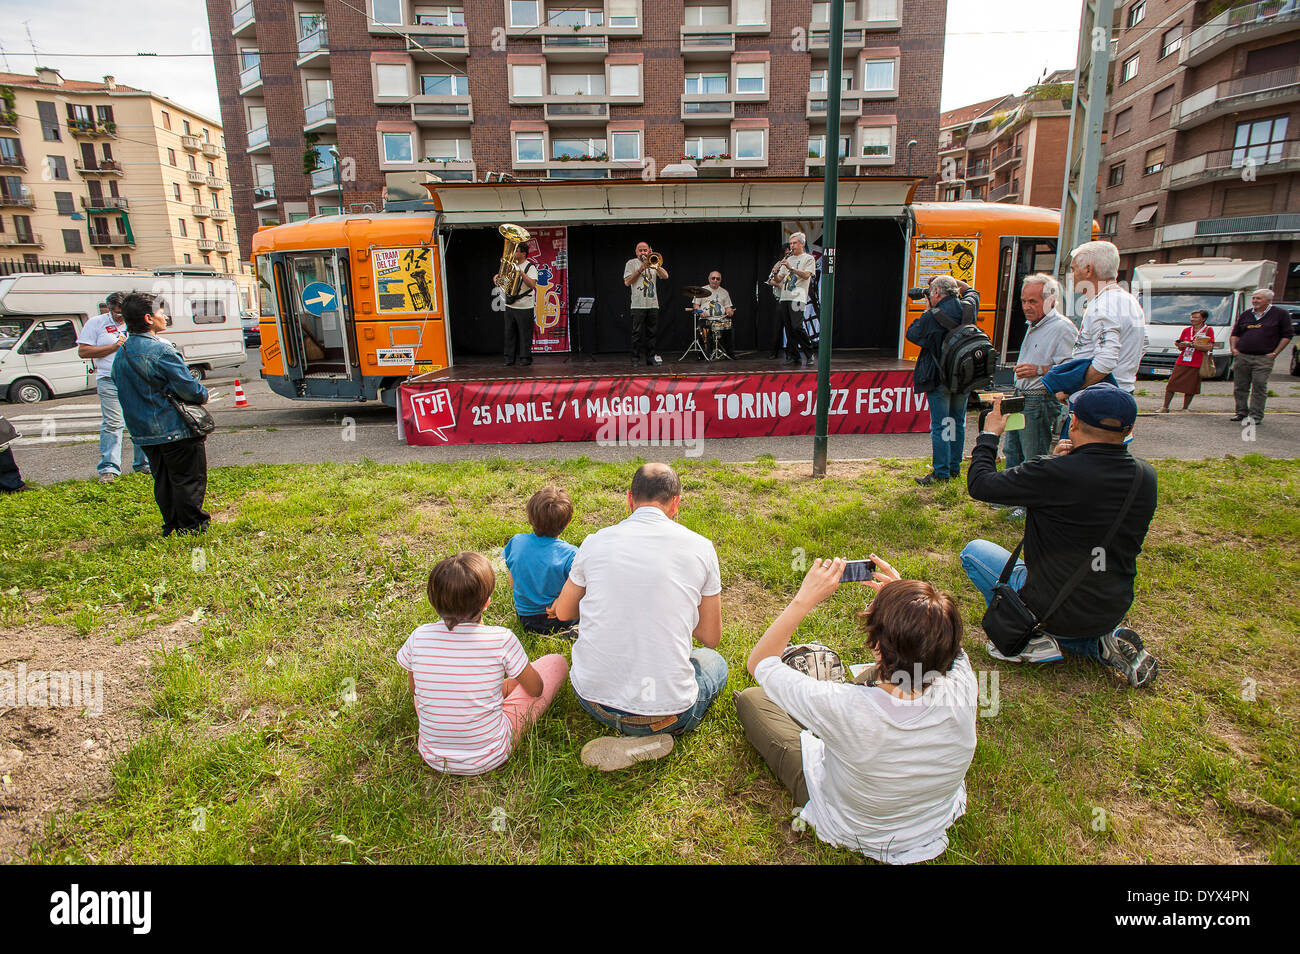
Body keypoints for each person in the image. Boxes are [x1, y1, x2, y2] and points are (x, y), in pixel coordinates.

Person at [737, 555, 977, 864]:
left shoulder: (844, 706)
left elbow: (759, 663)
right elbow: (948, 648)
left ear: (878, 646)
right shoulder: (964, 684)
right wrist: (911, 607)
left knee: (753, 699)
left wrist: (804, 599)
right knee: (857, 696)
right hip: (930, 817)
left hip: (852, 825)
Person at [962, 384, 1159, 687]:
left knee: (973, 551)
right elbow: (1093, 493)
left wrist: (989, 435)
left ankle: (1034, 638)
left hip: (1050, 606)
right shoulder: (1145, 476)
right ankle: (1099, 643)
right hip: (1111, 606)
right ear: (1130, 428)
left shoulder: (1053, 473)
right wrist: (1058, 465)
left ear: (1074, 421)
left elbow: (981, 484)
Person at [551, 463, 726, 771]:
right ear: (676, 503)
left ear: (630, 499)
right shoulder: (701, 547)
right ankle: (646, 735)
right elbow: (710, 638)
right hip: (668, 713)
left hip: (592, 700)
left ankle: (628, 732)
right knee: (714, 663)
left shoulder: (595, 541)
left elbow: (564, 612)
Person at [397, 552, 568, 776]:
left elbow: (415, 689)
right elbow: (536, 688)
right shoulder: (501, 639)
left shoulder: (419, 637)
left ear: (433, 601)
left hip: (433, 755)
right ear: (487, 602)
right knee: (555, 663)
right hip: (491, 753)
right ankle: (493, 695)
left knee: (426, 692)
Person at [111, 293, 211, 536]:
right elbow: (190, 389)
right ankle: (192, 527)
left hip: (143, 431)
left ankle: (172, 525)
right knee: (187, 478)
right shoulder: (161, 351)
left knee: (163, 479)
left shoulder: (121, 353)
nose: (165, 316)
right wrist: (203, 393)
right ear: (148, 318)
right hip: (174, 427)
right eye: (161, 312)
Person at [906, 274, 980, 486]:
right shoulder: (968, 307)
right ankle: (954, 468)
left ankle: (941, 472)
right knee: (957, 422)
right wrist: (954, 281)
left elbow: (912, 334)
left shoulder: (933, 315)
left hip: (940, 378)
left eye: (930, 292)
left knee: (941, 425)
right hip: (964, 377)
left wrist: (927, 311)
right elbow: (973, 291)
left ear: (936, 293)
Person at [1050, 240, 1144, 396]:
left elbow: (1106, 361)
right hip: (1123, 392)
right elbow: (1144, 344)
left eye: (1073, 269)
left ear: (1088, 270)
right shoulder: (1129, 301)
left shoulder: (1102, 306)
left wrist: (1070, 389)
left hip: (1098, 398)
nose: (1071, 276)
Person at [1004, 274, 1077, 469]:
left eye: (1033, 301)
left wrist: (1038, 370)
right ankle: (1010, 498)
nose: (1026, 307)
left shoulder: (1062, 328)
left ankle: (1031, 500)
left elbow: (1071, 368)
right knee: (1012, 452)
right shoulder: (1033, 324)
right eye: (1024, 301)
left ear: (1050, 301)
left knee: (1033, 458)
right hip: (1019, 397)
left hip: (1039, 400)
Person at [77, 292, 151, 483]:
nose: (121, 317)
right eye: (117, 314)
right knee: (113, 423)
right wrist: (112, 348)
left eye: (124, 313)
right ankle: (109, 468)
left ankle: (143, 464)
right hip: (109, 378)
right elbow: (83, 351)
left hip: (135, 377)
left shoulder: (134, 320)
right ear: (109, 309)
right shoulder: (96, 323)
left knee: (140, 420)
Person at [504, 485, 579, 635]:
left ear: (531, 518)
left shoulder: (516, 542)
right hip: (557, 617)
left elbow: (513, 581)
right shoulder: (571, 554)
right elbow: (576, 589)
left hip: (525, 618)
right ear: (567, 523)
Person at [1229, 288, 1293, 425]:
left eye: (1259, 298)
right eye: (1254, 298)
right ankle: (1241, 412)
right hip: (1243, 356)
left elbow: (1287, 335)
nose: (1255, 301)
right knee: (1240, 386)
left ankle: (1255, 415)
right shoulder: (1246, 314)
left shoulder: (1280, 314)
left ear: (1269, 300)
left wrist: (1275, 353)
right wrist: (1234, 349)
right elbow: (1235, 333)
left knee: (1259, 385)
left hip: (1263, 358)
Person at [768, 232, 817, 367]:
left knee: (797, 326)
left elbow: (807, 275)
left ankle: (809, 353)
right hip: (785, 297)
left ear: (801, 243)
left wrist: (792, 268)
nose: (792, 245)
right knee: (789, 329)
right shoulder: (787, 259)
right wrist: (776, 271)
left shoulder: (808, 258)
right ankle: (795, 357)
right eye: (791, 243)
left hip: (798, 297)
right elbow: (779, 279)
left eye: (795, 243)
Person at [493, 241, 540, 367]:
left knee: (525, 334)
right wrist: (497, 279)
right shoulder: (510, 265)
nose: (514, 254)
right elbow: (502, 281)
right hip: (510, 305)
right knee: (509, 333)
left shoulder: (530, 267)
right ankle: (509, 359)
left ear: (523, 253)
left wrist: (521, 273)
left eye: (517, 251)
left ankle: (525, 358)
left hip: (525, 306)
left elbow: (532, 284)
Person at [1160, 309, 1214, 413]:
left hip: (1197, 362)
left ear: (1203, 319)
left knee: (1191, 386)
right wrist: (1180, 345)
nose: (1192, 319)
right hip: (1183, 360)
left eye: (1196, 317)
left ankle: (1185, 408)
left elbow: (1209, 347)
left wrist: (1191, 344)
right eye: (1192, 317)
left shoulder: (1208, 330)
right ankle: (1165, 407)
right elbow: (1182, 348)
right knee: (1172, 383)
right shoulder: (1186, 330)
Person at [623, 241, 668, 367]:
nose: (643, 252)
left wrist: (656, 265)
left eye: (645, 250)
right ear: (636, 252)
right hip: (638, 304)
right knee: (636, 333)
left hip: (653, 304)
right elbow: (627, 282)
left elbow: (665, 276)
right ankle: (635, 358)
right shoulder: (631, 263)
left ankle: (650, 358)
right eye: (640, 250)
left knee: (652, 333)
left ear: (649, 251)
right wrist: (640, 269)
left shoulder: (654, 262)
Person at [692, 270, 735, 358]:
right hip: (706, 319)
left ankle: (730, 353)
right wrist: (700, 312)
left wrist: (730, 311)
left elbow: (728, 307)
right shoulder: (702, 290)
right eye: (713, 278)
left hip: (720, 319)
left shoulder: (724, 292)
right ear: (709, 279)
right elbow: (695, 305)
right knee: (703, 329)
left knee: (729, 328)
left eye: (718, 279)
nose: (715, 280)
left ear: (720, 280)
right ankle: (703, 355)